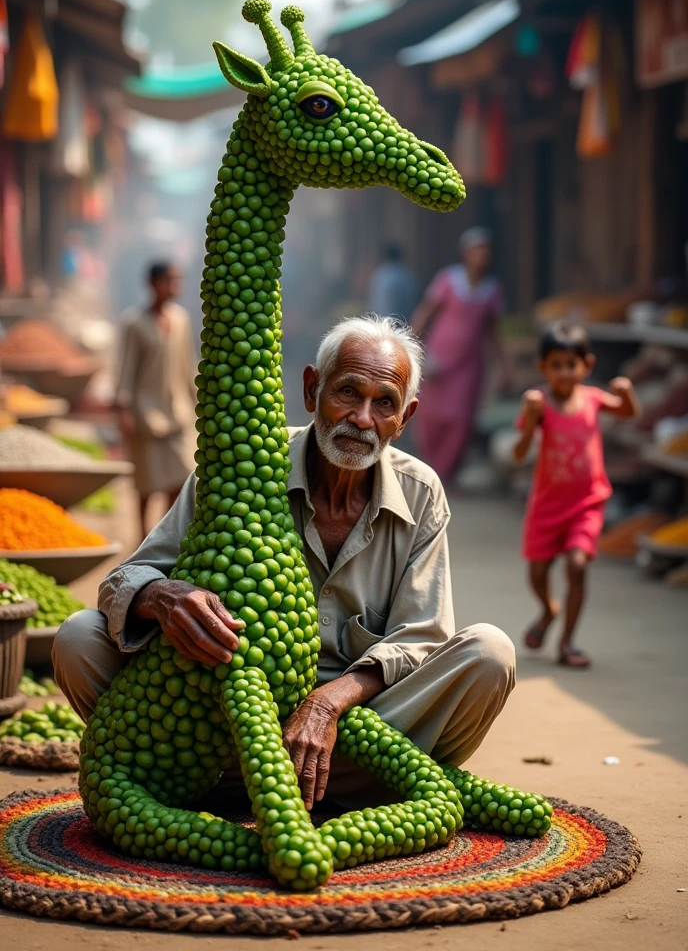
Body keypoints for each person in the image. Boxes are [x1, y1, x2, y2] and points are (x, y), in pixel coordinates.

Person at [54, 315, 515, 811]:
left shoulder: (420, 494)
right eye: (347, 393)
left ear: (405, 417)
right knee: (79, 639)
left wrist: (327, 702)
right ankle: (227, 775)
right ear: (312, 389)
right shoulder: (244, 465)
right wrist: (161, 596)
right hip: (217, 724)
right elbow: (125, 579)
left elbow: (420, 636)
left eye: (384, 403)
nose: (362, 418)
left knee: (489, 654)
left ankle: (305, 783)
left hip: (355, 730)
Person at [513, 322, 639, 669]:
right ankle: (548, 609)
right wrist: (529, 415)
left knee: (577, 565)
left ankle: (567, 643)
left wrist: (625, 392)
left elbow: (627, 412)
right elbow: (519, 454)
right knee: (537, 575)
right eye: (556, 365)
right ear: (543, 368)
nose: (565, 373)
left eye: (572, 364)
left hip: (586, 504)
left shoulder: (593, 398)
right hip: (546, 507)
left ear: (587, 365)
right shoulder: (539, 404)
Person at [411, 227, 510, 486]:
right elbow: (426, 311)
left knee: (461, 419)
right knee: (431, 415)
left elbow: (494, 333)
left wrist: (504, 367)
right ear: (466, 253)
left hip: (469, 366)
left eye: (487, 250)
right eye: (478, 249)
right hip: (438, 360)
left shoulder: (492, 290)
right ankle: (428, 468)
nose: (483, 255)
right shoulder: (448, 280)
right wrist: (409, 343)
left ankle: (444, 475)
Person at [115, 261, 197, 538]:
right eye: (169, 280)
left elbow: (188, 366)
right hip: (145, 416)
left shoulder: (181, 320)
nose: (175, 286)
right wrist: (124, 411)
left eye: (178, 280)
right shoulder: (134, 323)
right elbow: (125, 369)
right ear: (152, 284)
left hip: (177, 414)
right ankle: (141, 538)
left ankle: (164, 537)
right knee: (146, 485)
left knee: (179, 480)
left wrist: (198, 400)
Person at [367, 242, 419, 323]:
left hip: (380, 321)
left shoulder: (380, 273)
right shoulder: (407, 275)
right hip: (402, 321)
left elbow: (373, 301)